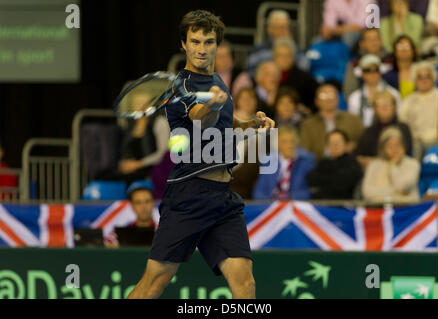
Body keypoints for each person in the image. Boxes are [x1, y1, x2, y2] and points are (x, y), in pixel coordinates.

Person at [127, 10, 275, 299]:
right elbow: (200, 118)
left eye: (208, 42)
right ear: (184, 44)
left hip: (224, 198)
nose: (201, 49)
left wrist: (250, 124)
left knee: (245, 284)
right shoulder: (179, 86)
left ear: (217, 45)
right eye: (195, 42)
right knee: (153, 284)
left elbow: (223, 123)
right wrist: (216, 105)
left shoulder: (218, 82)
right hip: (188, 195)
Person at [299, 84, 364, 160]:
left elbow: (363, 143)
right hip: (319, 165)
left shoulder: (353, 119)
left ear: (337, 99)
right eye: (323, 96)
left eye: (332, 95)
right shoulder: (308, 124)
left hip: (348, 164)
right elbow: (304, 150)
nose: (328, 99)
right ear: (316, 101)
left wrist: (352, 146)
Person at [252, 126, 315, 200]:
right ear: (277, 144)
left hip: (295, 205)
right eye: (284, 142)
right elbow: (259, 191)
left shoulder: (306, 161)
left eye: (292, 141)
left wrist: (288, 198)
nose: (289, 145)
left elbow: (310, 191)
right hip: (271, 204)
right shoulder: (268, 161)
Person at [355, 90, 413, 169]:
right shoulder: (369, 131)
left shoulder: (403, 128)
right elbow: (358, 155)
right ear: (374, 109)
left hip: (398, 168)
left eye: (388, 104)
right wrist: (366, 161)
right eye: (380, 104)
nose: (384, 107)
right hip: (373, 170)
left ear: (395, 107)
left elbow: (407, 151)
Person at [362, 126, 420, 203]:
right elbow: (367, 192)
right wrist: (395, 191)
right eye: (390, 146)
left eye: (397, 145)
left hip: (407, 209)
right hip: (379, 209)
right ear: (383, 148)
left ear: (403, 146)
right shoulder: (374, 164)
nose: (394, 149)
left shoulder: (412, 164)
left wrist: (393, 165)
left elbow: (403, 187)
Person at [399, 60, 438, 161]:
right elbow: (403, 123)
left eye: (427, 76)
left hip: (437, 141)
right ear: (414, 80)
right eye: (420, 77)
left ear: (433, 79)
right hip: (415, 143)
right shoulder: (408, 100)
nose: (424, 80)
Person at [247, 10, 309, 78]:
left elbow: (305, 69)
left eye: (286, 27)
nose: (283, 31)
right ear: (270, 29)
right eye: (279, 27)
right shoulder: (259, 50)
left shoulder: (298, 50)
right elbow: (251, 72)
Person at [347, 54, 401, 127]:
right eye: (368, 70)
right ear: (362, 74)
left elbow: (399, 117)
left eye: (376, 70)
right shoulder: (354, 98)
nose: (372, 74)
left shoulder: (393, 93)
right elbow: (353, 123)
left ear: (380, 72)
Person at [307, 130, 363, 199]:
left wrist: (325, 178)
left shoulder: (352, 163)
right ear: (327, 146)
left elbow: (342, 184)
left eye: (339, 142)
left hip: (344, 204)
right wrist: (334, 177)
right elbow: (311, 179)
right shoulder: (323, 162)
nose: (335, 145)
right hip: (320, 203)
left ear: (346, 144)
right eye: (332, 143)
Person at [343, 28, 393, 100]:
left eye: (376, 38)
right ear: (362, 44)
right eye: (369, 39)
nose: (374, 42)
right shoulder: (354, 64)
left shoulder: (391, 61)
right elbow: (349, 92)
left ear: (381, 41)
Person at [273, 37, 319, 113]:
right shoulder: (267, 76)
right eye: (280, 55)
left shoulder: (304, 78)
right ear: (274, 57)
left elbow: (315, 100)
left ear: (293, 57)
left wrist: (306, 110)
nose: (283, 59)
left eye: (287, 55)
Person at [104, 180, 156, 247]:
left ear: (153, 203)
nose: (143, 207)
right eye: (138, 202)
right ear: (132, 206)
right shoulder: (120, 234)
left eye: (147, 201)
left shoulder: (163, 232)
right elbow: (106, 245)